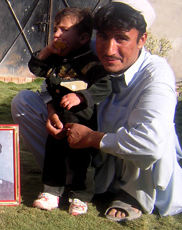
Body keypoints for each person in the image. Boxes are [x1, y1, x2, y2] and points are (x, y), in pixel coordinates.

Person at [64, 0, 182, 221]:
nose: (109, 50)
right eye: (103, 36)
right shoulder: (90, 50)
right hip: (93, 147)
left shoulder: (157, 75)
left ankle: (133, 194)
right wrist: (52, 108)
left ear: (142, 39)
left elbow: (150, 145)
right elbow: (53, 76)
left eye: (122, 39)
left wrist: (91, 138)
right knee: (25, 103)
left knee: (154, 131)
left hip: (129, 160)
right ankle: (70, 177)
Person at [22, 7, 112, 216]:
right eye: (55, 29)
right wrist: (47, 51)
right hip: (58, 120)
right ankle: (51, 193)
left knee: (83, 161)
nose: (56, 34)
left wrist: (81, 97)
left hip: (82, 122)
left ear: (83, 37)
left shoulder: (88, 61)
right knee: (54, 156)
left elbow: (104, 85)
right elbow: (36, 69)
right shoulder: (55, 58)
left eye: (63, 30)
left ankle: (80, 197)